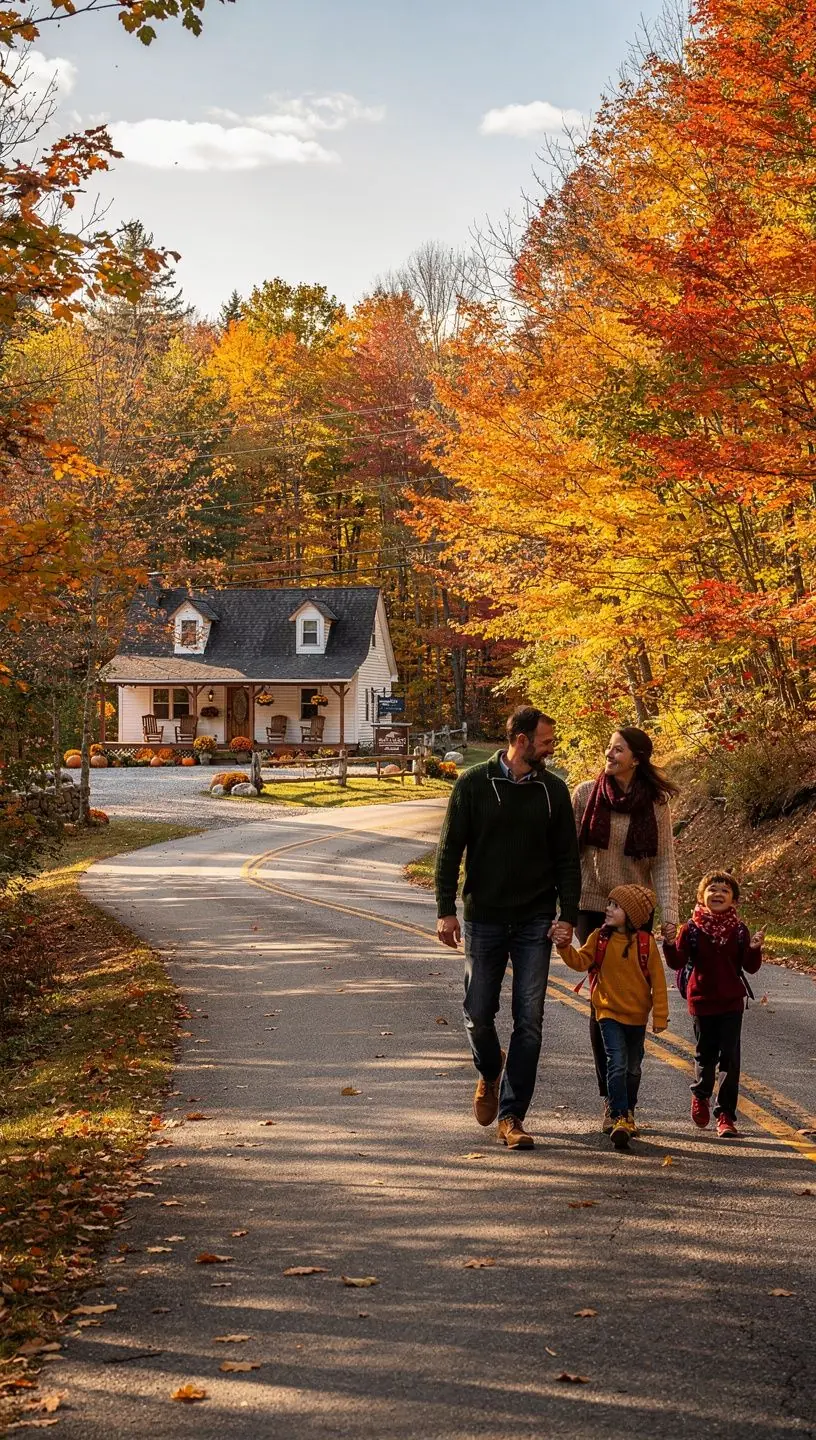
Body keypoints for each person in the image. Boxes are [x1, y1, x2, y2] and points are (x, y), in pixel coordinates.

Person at [435, 706, 581, 1150]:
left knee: (530, 1020)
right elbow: (449, 849)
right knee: (478, 1011)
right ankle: (489, 1071)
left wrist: (567, 915)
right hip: (484, 918)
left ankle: (512, 1116)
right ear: (520, 740)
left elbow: (567, 861)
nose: (551, 747)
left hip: (535, 919)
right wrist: (445, 908)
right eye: (546, 740)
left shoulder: (555, 791)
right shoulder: (474, 783)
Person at [571, 727, 680, 1133]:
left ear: (636, 758)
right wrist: (560, 908)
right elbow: (569, 853)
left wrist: (669, 915)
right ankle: (613, 1101)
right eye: (608, 747)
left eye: (617, 749)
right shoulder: (585, 794)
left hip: (635, 910)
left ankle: (626, 1096)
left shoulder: (655, 803)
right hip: (591, 906)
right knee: (604, 1002)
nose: (609, 753)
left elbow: (664, 862)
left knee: (634, 1000)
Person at [554, 884, 668, 1149]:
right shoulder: (599, 937)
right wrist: (563, 947)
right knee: (616, 1063)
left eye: (615, 906)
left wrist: (660, 1016)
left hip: (637, 1017)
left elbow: (659, 984)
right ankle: (618, 1116)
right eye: (609, 903)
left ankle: (628, 1111)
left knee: (633, 1068)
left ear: (631, 914)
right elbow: (580, 961)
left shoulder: (645, 943)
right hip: (608, 1013)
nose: (607, 909)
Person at [663, 871, 764, 1138]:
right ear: (701, 896)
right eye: (712, 889)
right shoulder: (691, 929)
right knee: (705, 1056)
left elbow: (749, 967)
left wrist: (754, 948)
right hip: (702, 1000)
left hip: (732, 1002)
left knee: (730, 1060)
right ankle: (701, 1094)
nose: (718, 894)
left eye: (724, 890)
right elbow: (676, 961)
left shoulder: (740, 930)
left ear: (734, 901)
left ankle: (726, 1116)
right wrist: (669, 943)